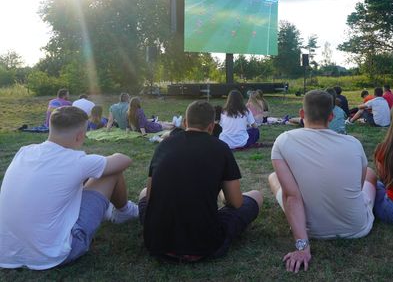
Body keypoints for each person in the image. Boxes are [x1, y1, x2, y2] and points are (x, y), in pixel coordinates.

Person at [0, 106, 138, 270]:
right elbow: (124, 160)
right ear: (80, 136)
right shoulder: (76, 160)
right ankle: (124, 212)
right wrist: (103, 163)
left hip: (7, 251)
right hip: (53, 254)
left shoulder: (24, 151)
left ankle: (109, 208)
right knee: (110, 173)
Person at [268, 90, 376, 273]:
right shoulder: (353, 143)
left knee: (273, 177)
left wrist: (302, 247)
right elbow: (357, 187)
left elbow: (291, 196)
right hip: (356, 227)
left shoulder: (283, 141)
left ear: (302, 114)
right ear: (332, 116)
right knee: (370, 174)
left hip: (310, 230)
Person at [140, 101, 262, 261]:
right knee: (256, 196)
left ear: (185, 122)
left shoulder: (163, 146)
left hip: (157, 243)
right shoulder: (221, 148)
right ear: (211, 127)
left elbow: (150, 196)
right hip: (205, 245)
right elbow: (236, 203)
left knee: (142, 192)